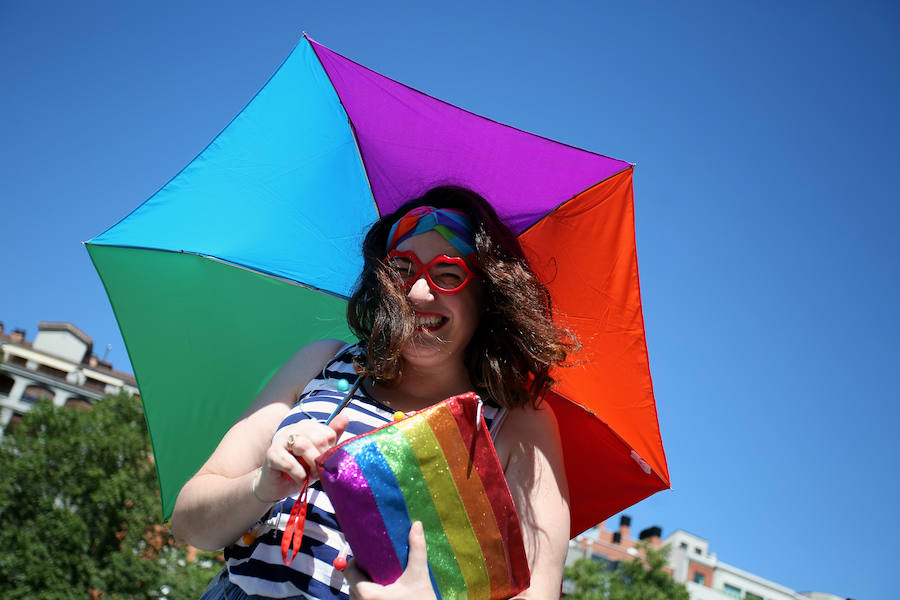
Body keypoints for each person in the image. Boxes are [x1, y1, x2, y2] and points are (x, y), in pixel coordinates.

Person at [171, 186, 576, 599]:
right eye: (402, 269)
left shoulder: (520, 422)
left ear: (488, 294)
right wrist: (261, 487)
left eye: (448, 274)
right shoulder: (323, 362)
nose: (418, 293)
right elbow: (189, 523)